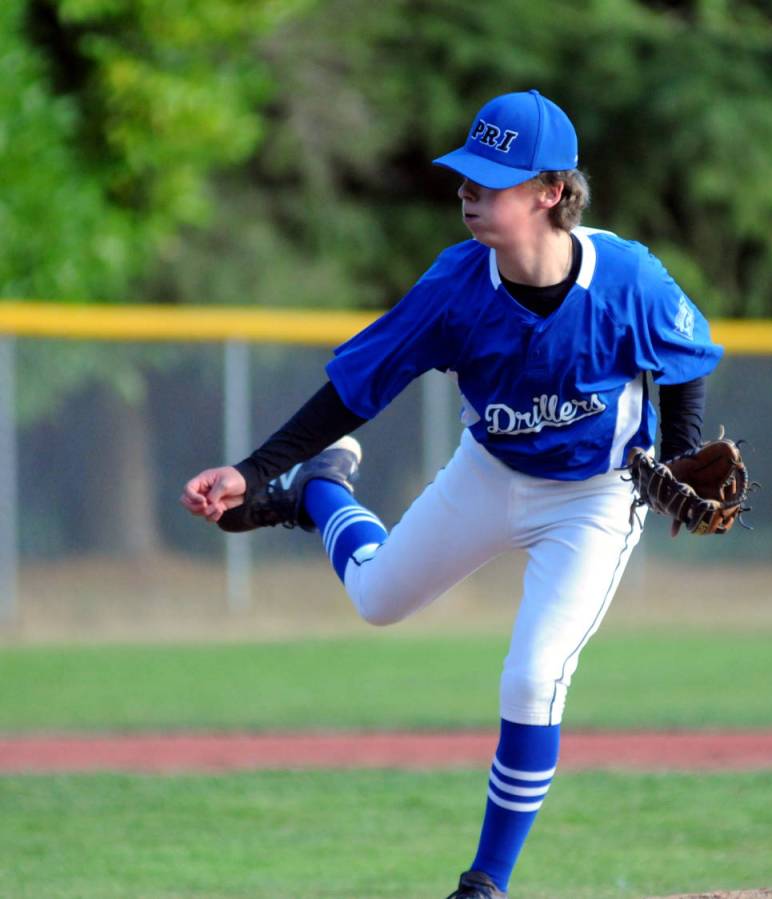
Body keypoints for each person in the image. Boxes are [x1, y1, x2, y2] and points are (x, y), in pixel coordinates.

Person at [181, 89, 723, 899]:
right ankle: (319, 493)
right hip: (491, 470)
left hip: (595, 500)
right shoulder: (456, 285)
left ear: (551, 192)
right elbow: (353, 390)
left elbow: (687, 358)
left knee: (533, 675)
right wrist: (255, 472)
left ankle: (484, 883)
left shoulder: (627, 277)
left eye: (490, 180)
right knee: (376, 599)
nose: (467, 191)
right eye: (465, 176)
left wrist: (678, 456)